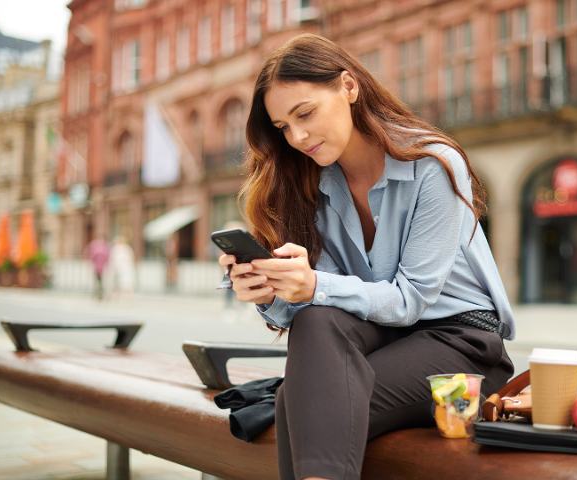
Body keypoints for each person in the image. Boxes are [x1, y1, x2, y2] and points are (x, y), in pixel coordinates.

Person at [217, 34, 515, 480]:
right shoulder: (315, 186)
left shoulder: (432, 164)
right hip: (378, 345)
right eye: (282, 127)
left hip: (460, 351)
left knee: (301, 404)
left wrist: (314, 285)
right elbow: (321, 306)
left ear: (349, 87)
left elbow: (410, 299)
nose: (296, 137)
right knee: (315, 331)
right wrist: (267, 289)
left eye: (305, 114)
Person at [85, 236, 110, 300]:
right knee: (99, 281)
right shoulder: (103, 247)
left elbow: (91, 255)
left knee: (99, 281)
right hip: (99, 267)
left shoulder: (97, 247)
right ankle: (99, 293)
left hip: (99, 267)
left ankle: (98, 293)